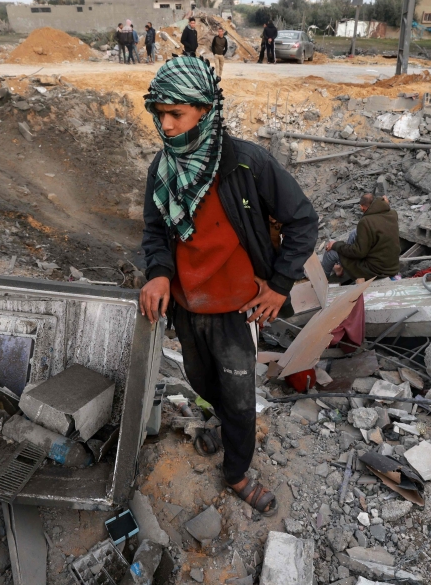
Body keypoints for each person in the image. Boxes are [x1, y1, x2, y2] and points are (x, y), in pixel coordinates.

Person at [139, 56, 318, 516]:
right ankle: (224, 422)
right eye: (159, 114)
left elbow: (302, 221)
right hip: (186, 305)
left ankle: (236, 471)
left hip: (237, 310)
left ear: (205, 110)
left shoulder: (246, 164)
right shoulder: (163, 169)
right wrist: (158, 273)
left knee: (240, 397)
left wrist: (279, 285)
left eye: (175, 114)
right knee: (202, 382)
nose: (166, 124)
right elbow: (155, 231)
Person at [321, 193, 400, 281]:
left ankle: (321, 281)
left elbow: (359, 253)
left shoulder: (366, 222)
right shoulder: (392, 213)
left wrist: (336, 245)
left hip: (376, 270)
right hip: (391, 265)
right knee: (355, 233)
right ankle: (340, 267)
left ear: (362, 207)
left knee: (331, 252)